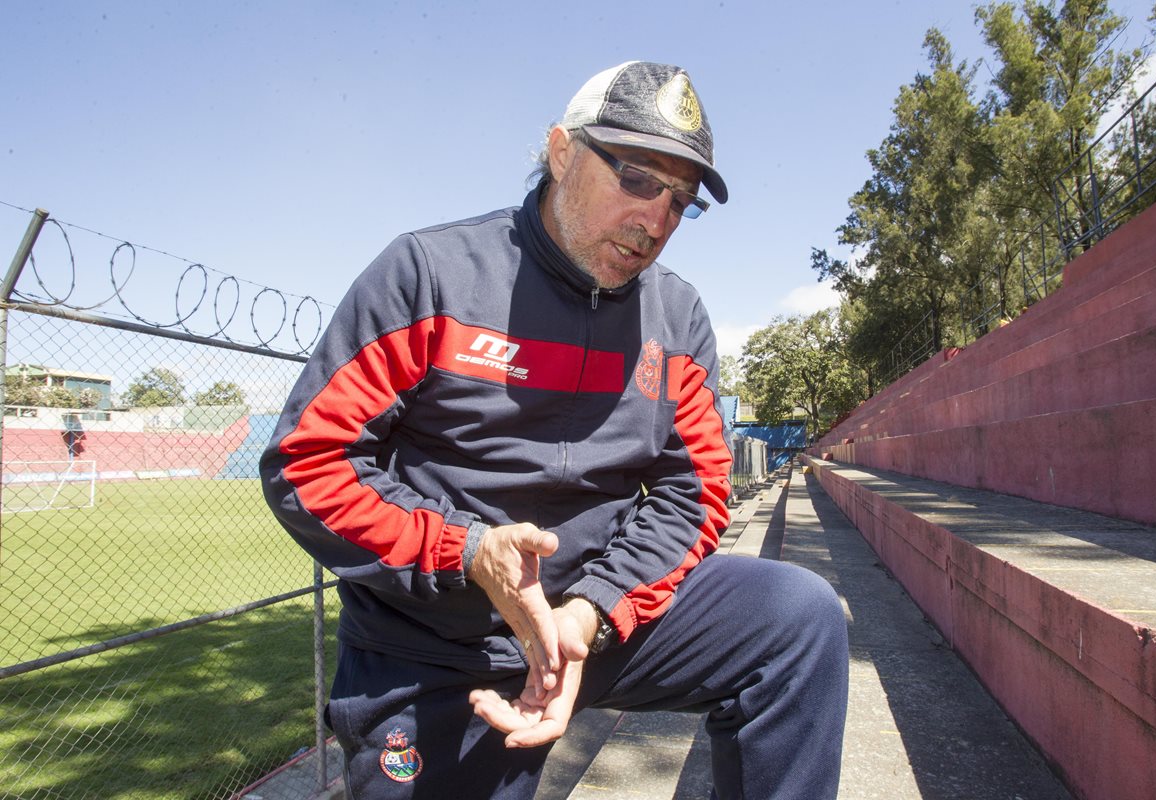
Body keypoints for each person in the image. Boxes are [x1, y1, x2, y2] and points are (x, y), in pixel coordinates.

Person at [260, 61, 848, 799]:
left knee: (798, 619)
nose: (656, 222)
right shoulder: (429, 274)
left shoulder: (676, 318)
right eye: (637, 180)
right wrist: (469, 551)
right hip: (438, 644)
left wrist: (591, 613)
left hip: (590, 619)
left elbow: (693, 494)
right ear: (562, 152)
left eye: (681, 200)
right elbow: (309, 461)